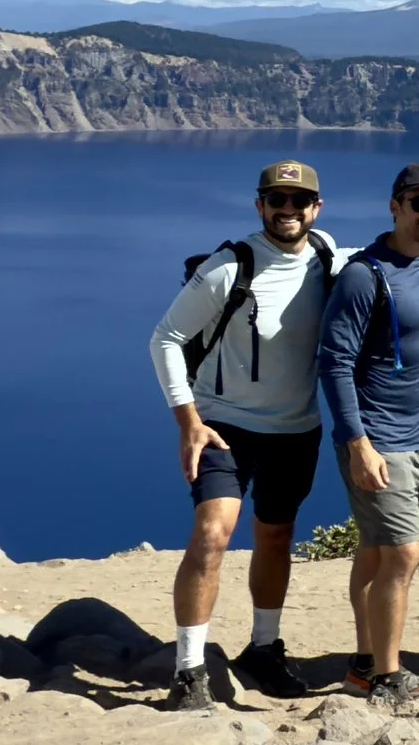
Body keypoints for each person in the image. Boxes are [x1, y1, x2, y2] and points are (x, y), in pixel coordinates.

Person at [148, 158, 350, 710]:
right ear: (259, 205)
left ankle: (263, 648)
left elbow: (386, 267)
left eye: (299, 201)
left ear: (316, 208)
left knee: (276, 535)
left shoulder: (329, 258)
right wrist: (188, 421)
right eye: (276, 200)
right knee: (214, 533)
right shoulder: (227, 267)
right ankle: (190, 670)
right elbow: (165, 338)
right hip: (225, 428)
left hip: (296, 429)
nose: (288, 210)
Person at [317, 161, 419, 708]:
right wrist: (358, 445)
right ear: (395, 206)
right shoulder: (364, 275)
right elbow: (334, 362)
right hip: (380, 443)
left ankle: (362, 662)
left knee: (378, 553)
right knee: (403, 556)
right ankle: (387, 675)